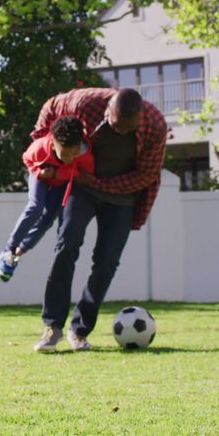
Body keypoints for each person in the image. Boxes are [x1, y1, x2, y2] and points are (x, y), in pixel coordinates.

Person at [28, 87, 168, 352]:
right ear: (107, 111)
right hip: (81, 189)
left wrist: (101, 183)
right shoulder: (86, 103)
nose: (122, 133)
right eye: (117, 126)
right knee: (66, 245)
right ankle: (53, 327)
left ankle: (79, 330)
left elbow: (146, 175)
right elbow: (51, 105)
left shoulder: (155, 124)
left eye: (129, 129)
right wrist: (45, 148)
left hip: (122, 197)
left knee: (106, 262)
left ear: (139, 118)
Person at [0, 116, 95, 282]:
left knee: (47, 220)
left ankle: (16, 255)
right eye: (64, 154)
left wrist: (58, 173)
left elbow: (87, 176)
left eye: (73, 154)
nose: (69, 159)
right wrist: (38, 172)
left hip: (60, 184)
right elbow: (27, 158)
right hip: (40, 177)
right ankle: (7, 250)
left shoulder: (85, 155)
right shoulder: (40, 147)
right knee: (36, 207)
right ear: (53, 142)